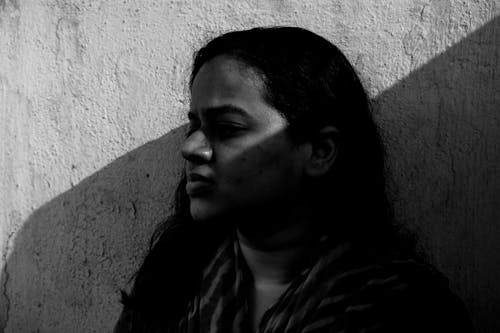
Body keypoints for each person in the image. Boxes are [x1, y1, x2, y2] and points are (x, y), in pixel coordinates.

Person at [113, 26, 473, 333]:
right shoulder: (172, 281)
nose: (191, 147)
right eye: (194, 125)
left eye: (227, 128)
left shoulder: (404, 309)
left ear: (319, 151)